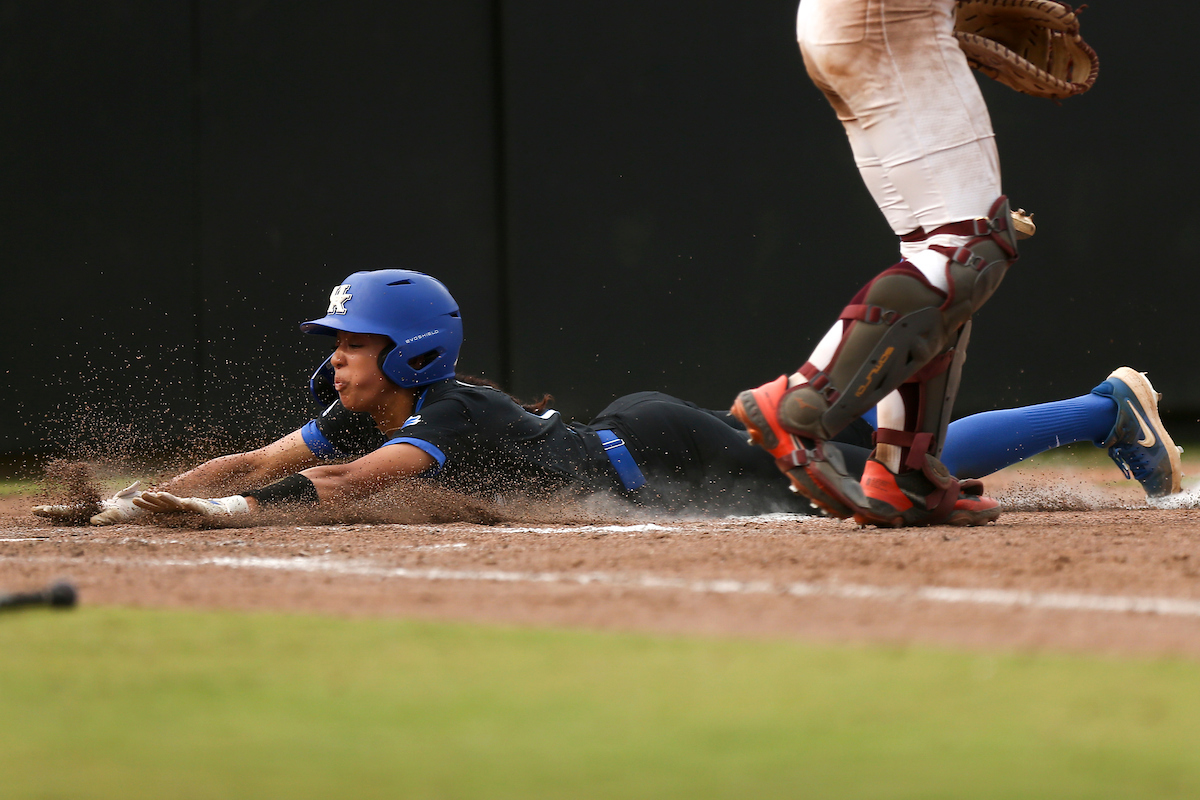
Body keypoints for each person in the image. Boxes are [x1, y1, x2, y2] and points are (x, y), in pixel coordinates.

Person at [33, 269, 1181, 527]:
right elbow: (256, 460)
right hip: (637, 434)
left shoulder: (447, 418)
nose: (336, 358)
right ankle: (1094, 406)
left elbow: (333, 487)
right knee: (849, 455)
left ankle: (1098, 407)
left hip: (671, 456)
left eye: (355, 343)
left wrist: (226, 520)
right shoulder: (373, 404)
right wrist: (141, 500)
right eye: (336, 343)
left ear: (414, 353)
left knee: (863, 484)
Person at [731, 0, 1032, 527]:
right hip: (891, 22)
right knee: (972, 249)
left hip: (856, 25)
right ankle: (802, 404)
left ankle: (903, 472)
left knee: (936, 250)